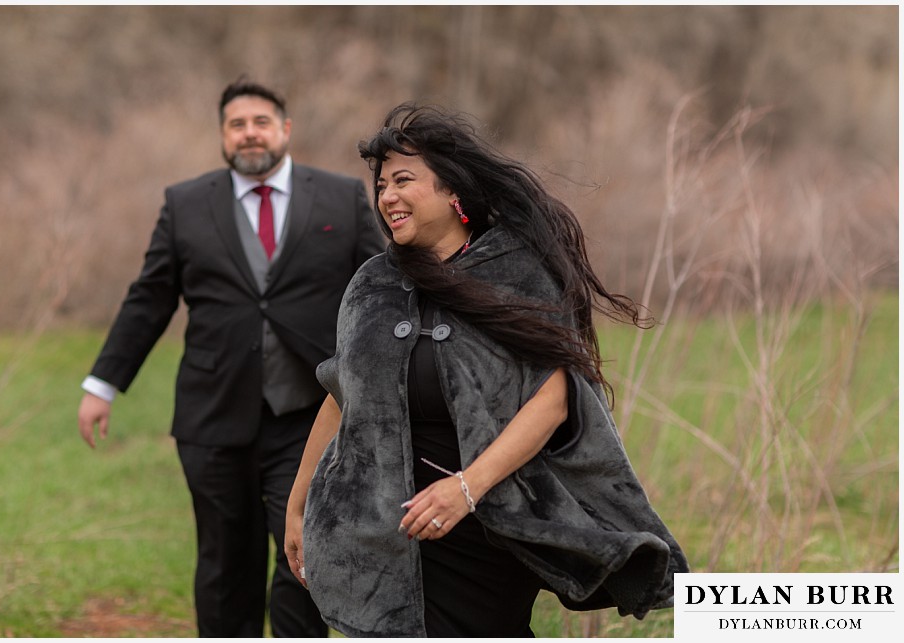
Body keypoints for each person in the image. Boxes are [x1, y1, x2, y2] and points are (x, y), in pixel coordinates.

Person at [284, 103, 689, 637]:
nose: (387, 198)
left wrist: (465, 489)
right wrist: (299, 505)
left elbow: (552, 399)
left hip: (481, 527)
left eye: (404, 181)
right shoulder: (371, 285)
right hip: (379, 529)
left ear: (453, 191)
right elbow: (342, 397)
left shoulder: (515, 273)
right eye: (381, 185)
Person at [77, 78, 385, 638]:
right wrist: (103, 384)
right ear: (223, 136)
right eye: (237, 125)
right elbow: (150, 298)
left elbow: (380, 289)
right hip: (213, 417)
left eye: (261, 122)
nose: (250, 134)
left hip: (310, 417)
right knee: (224, 564)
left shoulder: (341, 198)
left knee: (305, 553)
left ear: (285, 129)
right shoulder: (186, 204)